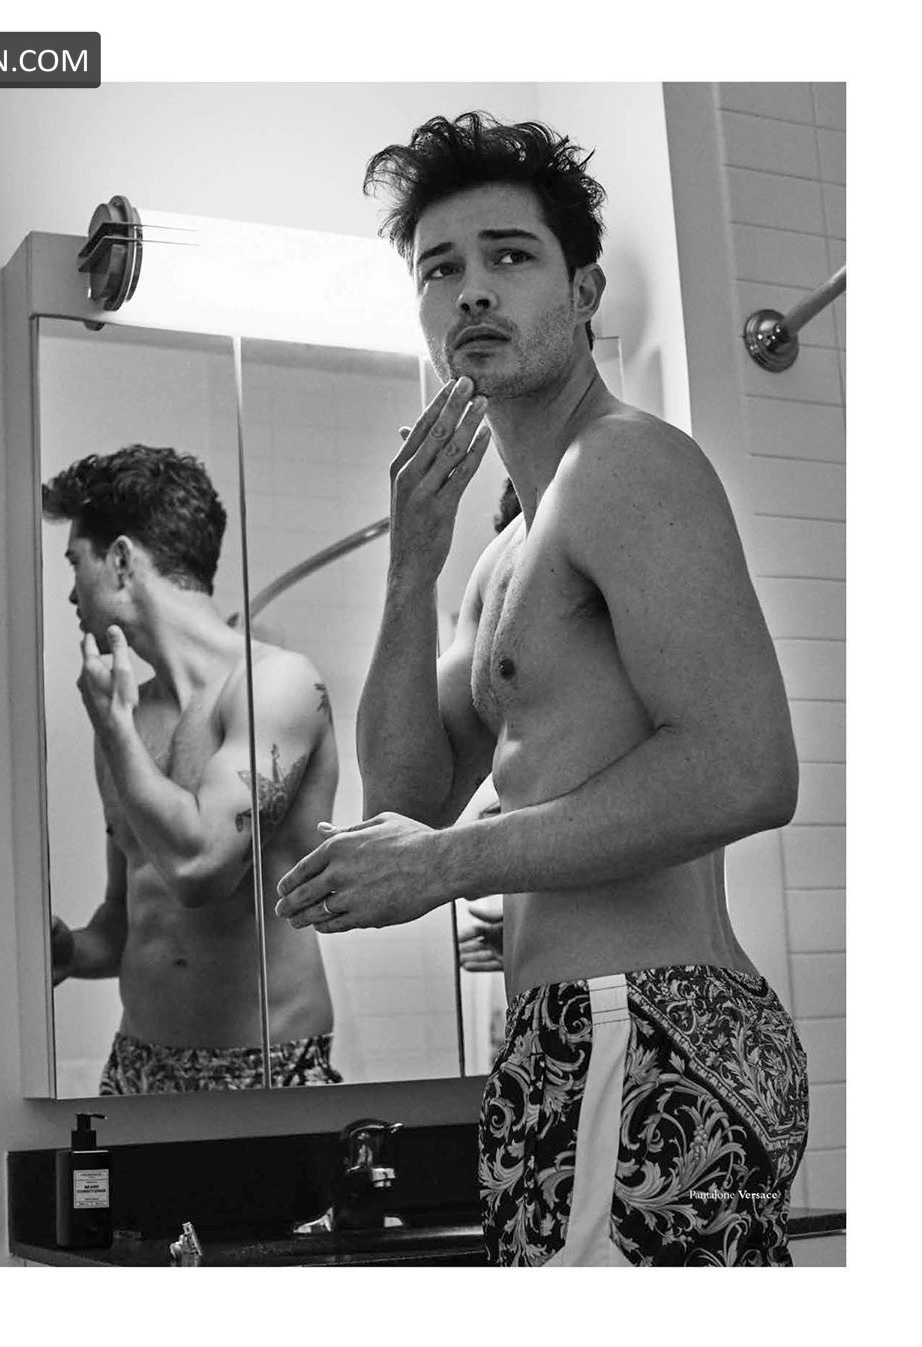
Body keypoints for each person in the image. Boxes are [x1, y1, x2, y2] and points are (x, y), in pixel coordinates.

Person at [275, 113, 808, 1265]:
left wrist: (449, 865)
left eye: (509, 256)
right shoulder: (507, 554)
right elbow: (406, 794)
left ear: (584, 291)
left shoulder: (627, 466)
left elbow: (748, 770)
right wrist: (411, 566)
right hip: (573, 1029)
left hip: (642, 1018)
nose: (471, 289)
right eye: (440, 269)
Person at [42, 443, 341, 1092]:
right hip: (138, 1065)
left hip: (266, 1068)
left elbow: (201, 869)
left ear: (121, 560)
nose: (70, 591)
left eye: (75, 562)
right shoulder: (128, 715)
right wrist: (69, 950)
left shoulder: (277, 684)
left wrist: (114, 731)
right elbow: (127, 915)